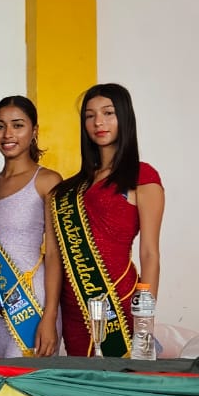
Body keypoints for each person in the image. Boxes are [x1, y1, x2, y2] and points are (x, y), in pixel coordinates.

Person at [36, 83, 164, 358]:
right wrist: (50, 313)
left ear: (124, 118)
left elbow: (150, 254)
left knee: (121, 380)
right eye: (90, 115)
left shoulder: (142, 176)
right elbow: (54, 255)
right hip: (73, 309)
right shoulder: (69, 189)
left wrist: (145, 323)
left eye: (108, 113)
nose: (98, 122)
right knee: (80, 380)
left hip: (120, 302)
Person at [0, 96, 63, 358]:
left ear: (34, 131)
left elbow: (54, 254)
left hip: (33, 305)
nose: (8, 134)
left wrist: (49, 316)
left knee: (25, 377)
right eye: (0, 126)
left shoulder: (47, 181)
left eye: (18, 125)